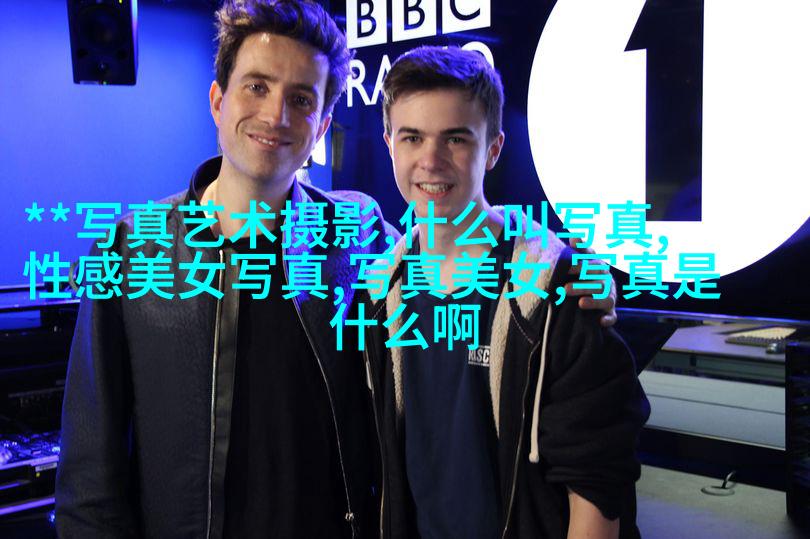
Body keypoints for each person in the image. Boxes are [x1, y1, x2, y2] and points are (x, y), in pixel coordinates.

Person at [55, 1, 618, 537]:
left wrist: (579, 275)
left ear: (322, 125)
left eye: (301, 98)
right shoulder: (130, 249)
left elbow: (454, 249)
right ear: (218, 101)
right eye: (257, 87)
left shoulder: (357, 232)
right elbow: (89, 477)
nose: (276, 115)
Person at [362, 46, 649, 539]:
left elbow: (597, 484)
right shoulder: (379, 291)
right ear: (390, 144)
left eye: (455, 138)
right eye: (412, 137)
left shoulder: (561, 290)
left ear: (493, 149)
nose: (430, 161)